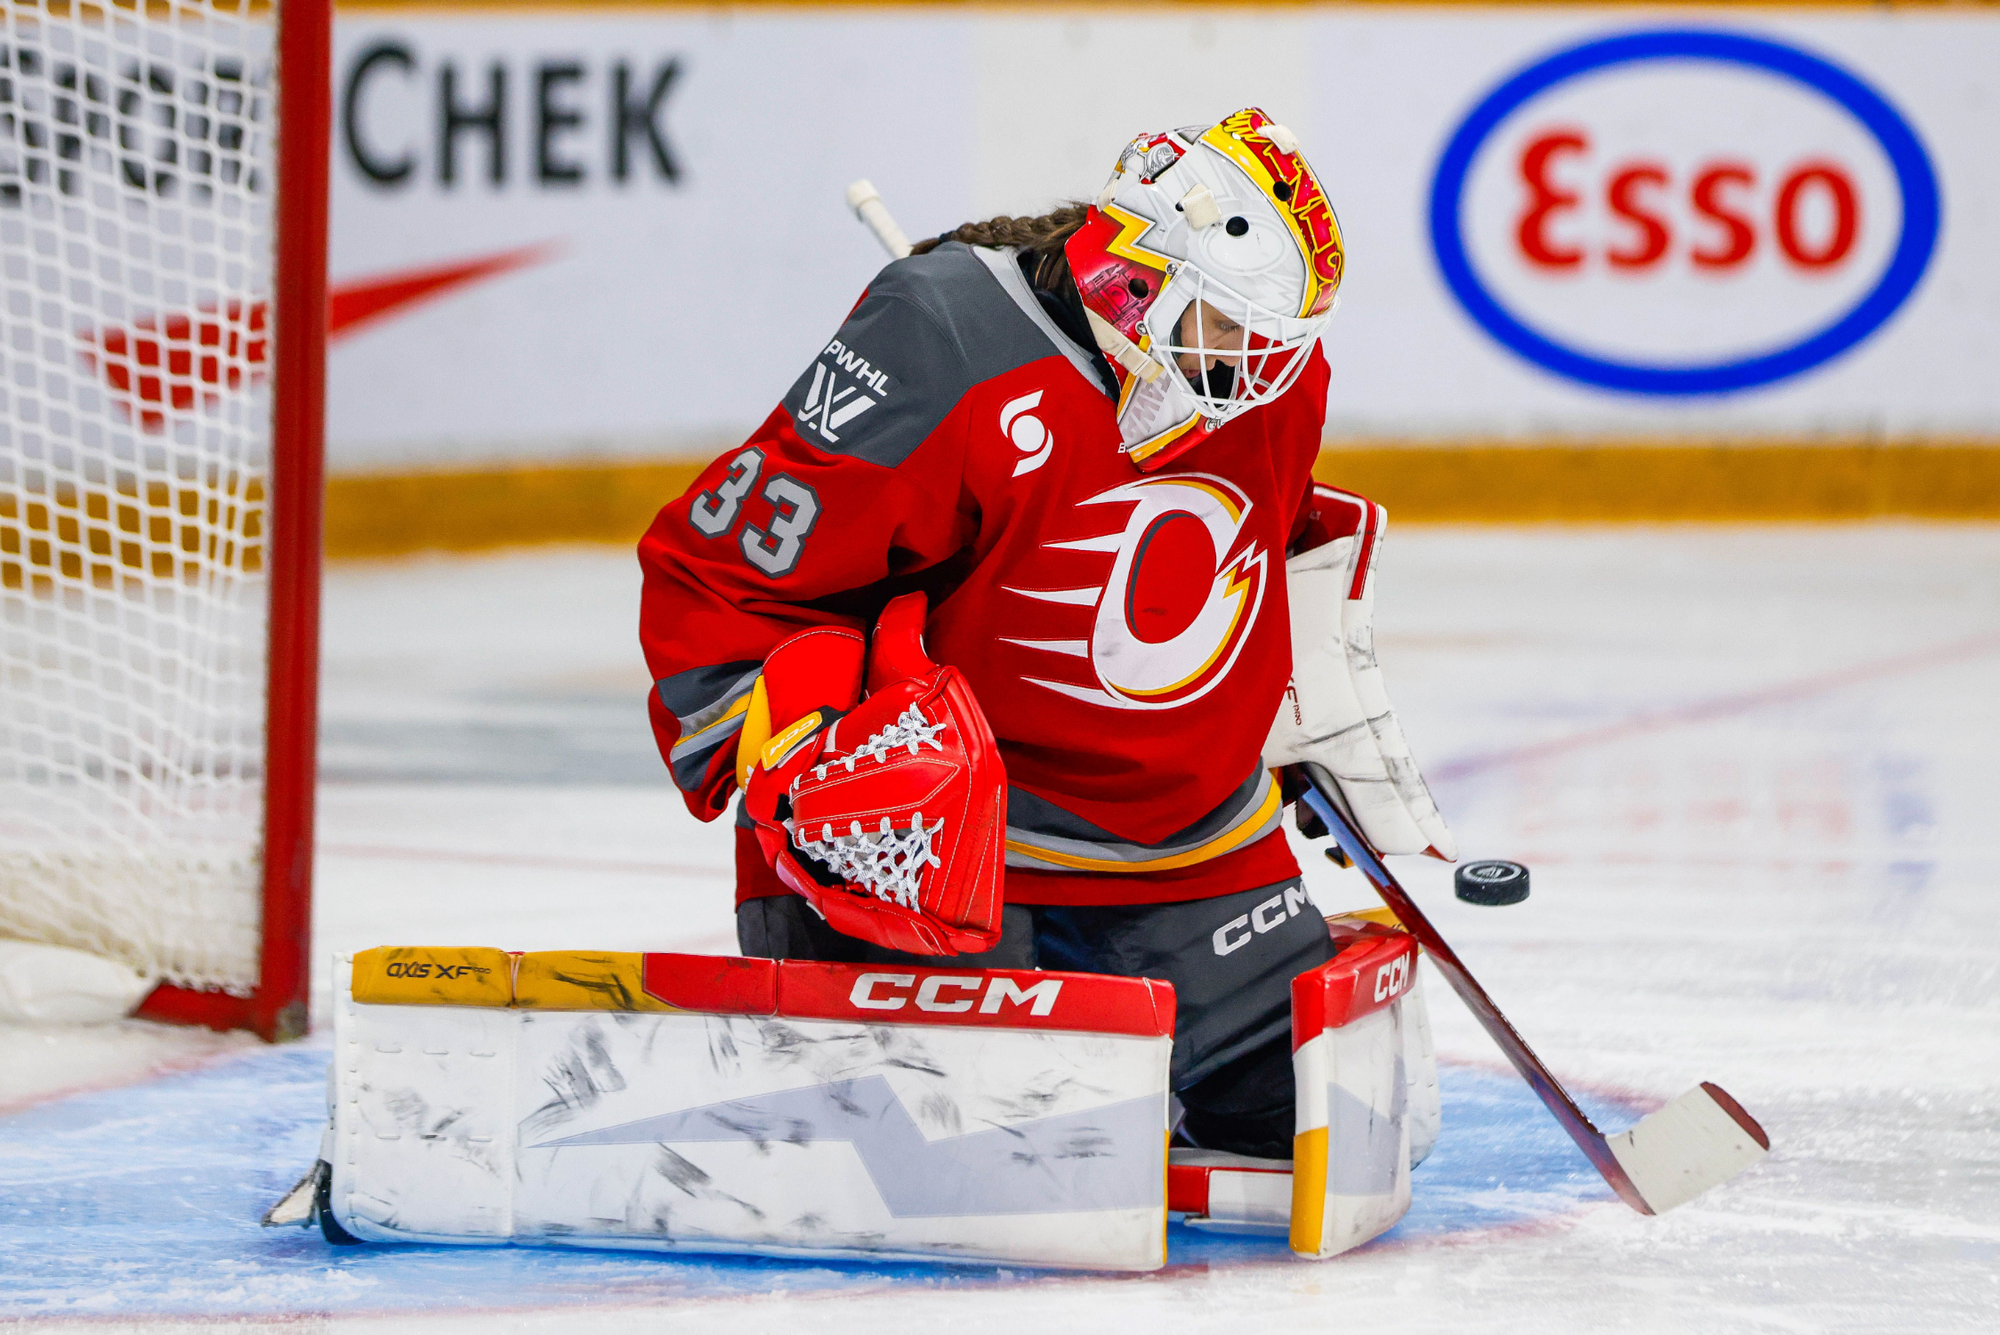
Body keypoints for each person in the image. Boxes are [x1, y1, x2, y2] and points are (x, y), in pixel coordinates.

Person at [638, 108, 1450, 1160]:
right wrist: (795, 766)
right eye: (1227, 325)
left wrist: (1304, 714)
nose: (1256, 365)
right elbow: (725, 572)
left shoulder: (1266, 379)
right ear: (1134, 279)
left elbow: (1262, 558)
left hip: (1194, 850)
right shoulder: (944, 341)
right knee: (976, 1152)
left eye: (1278, 338)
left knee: (1313, 1127)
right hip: (959, 869)